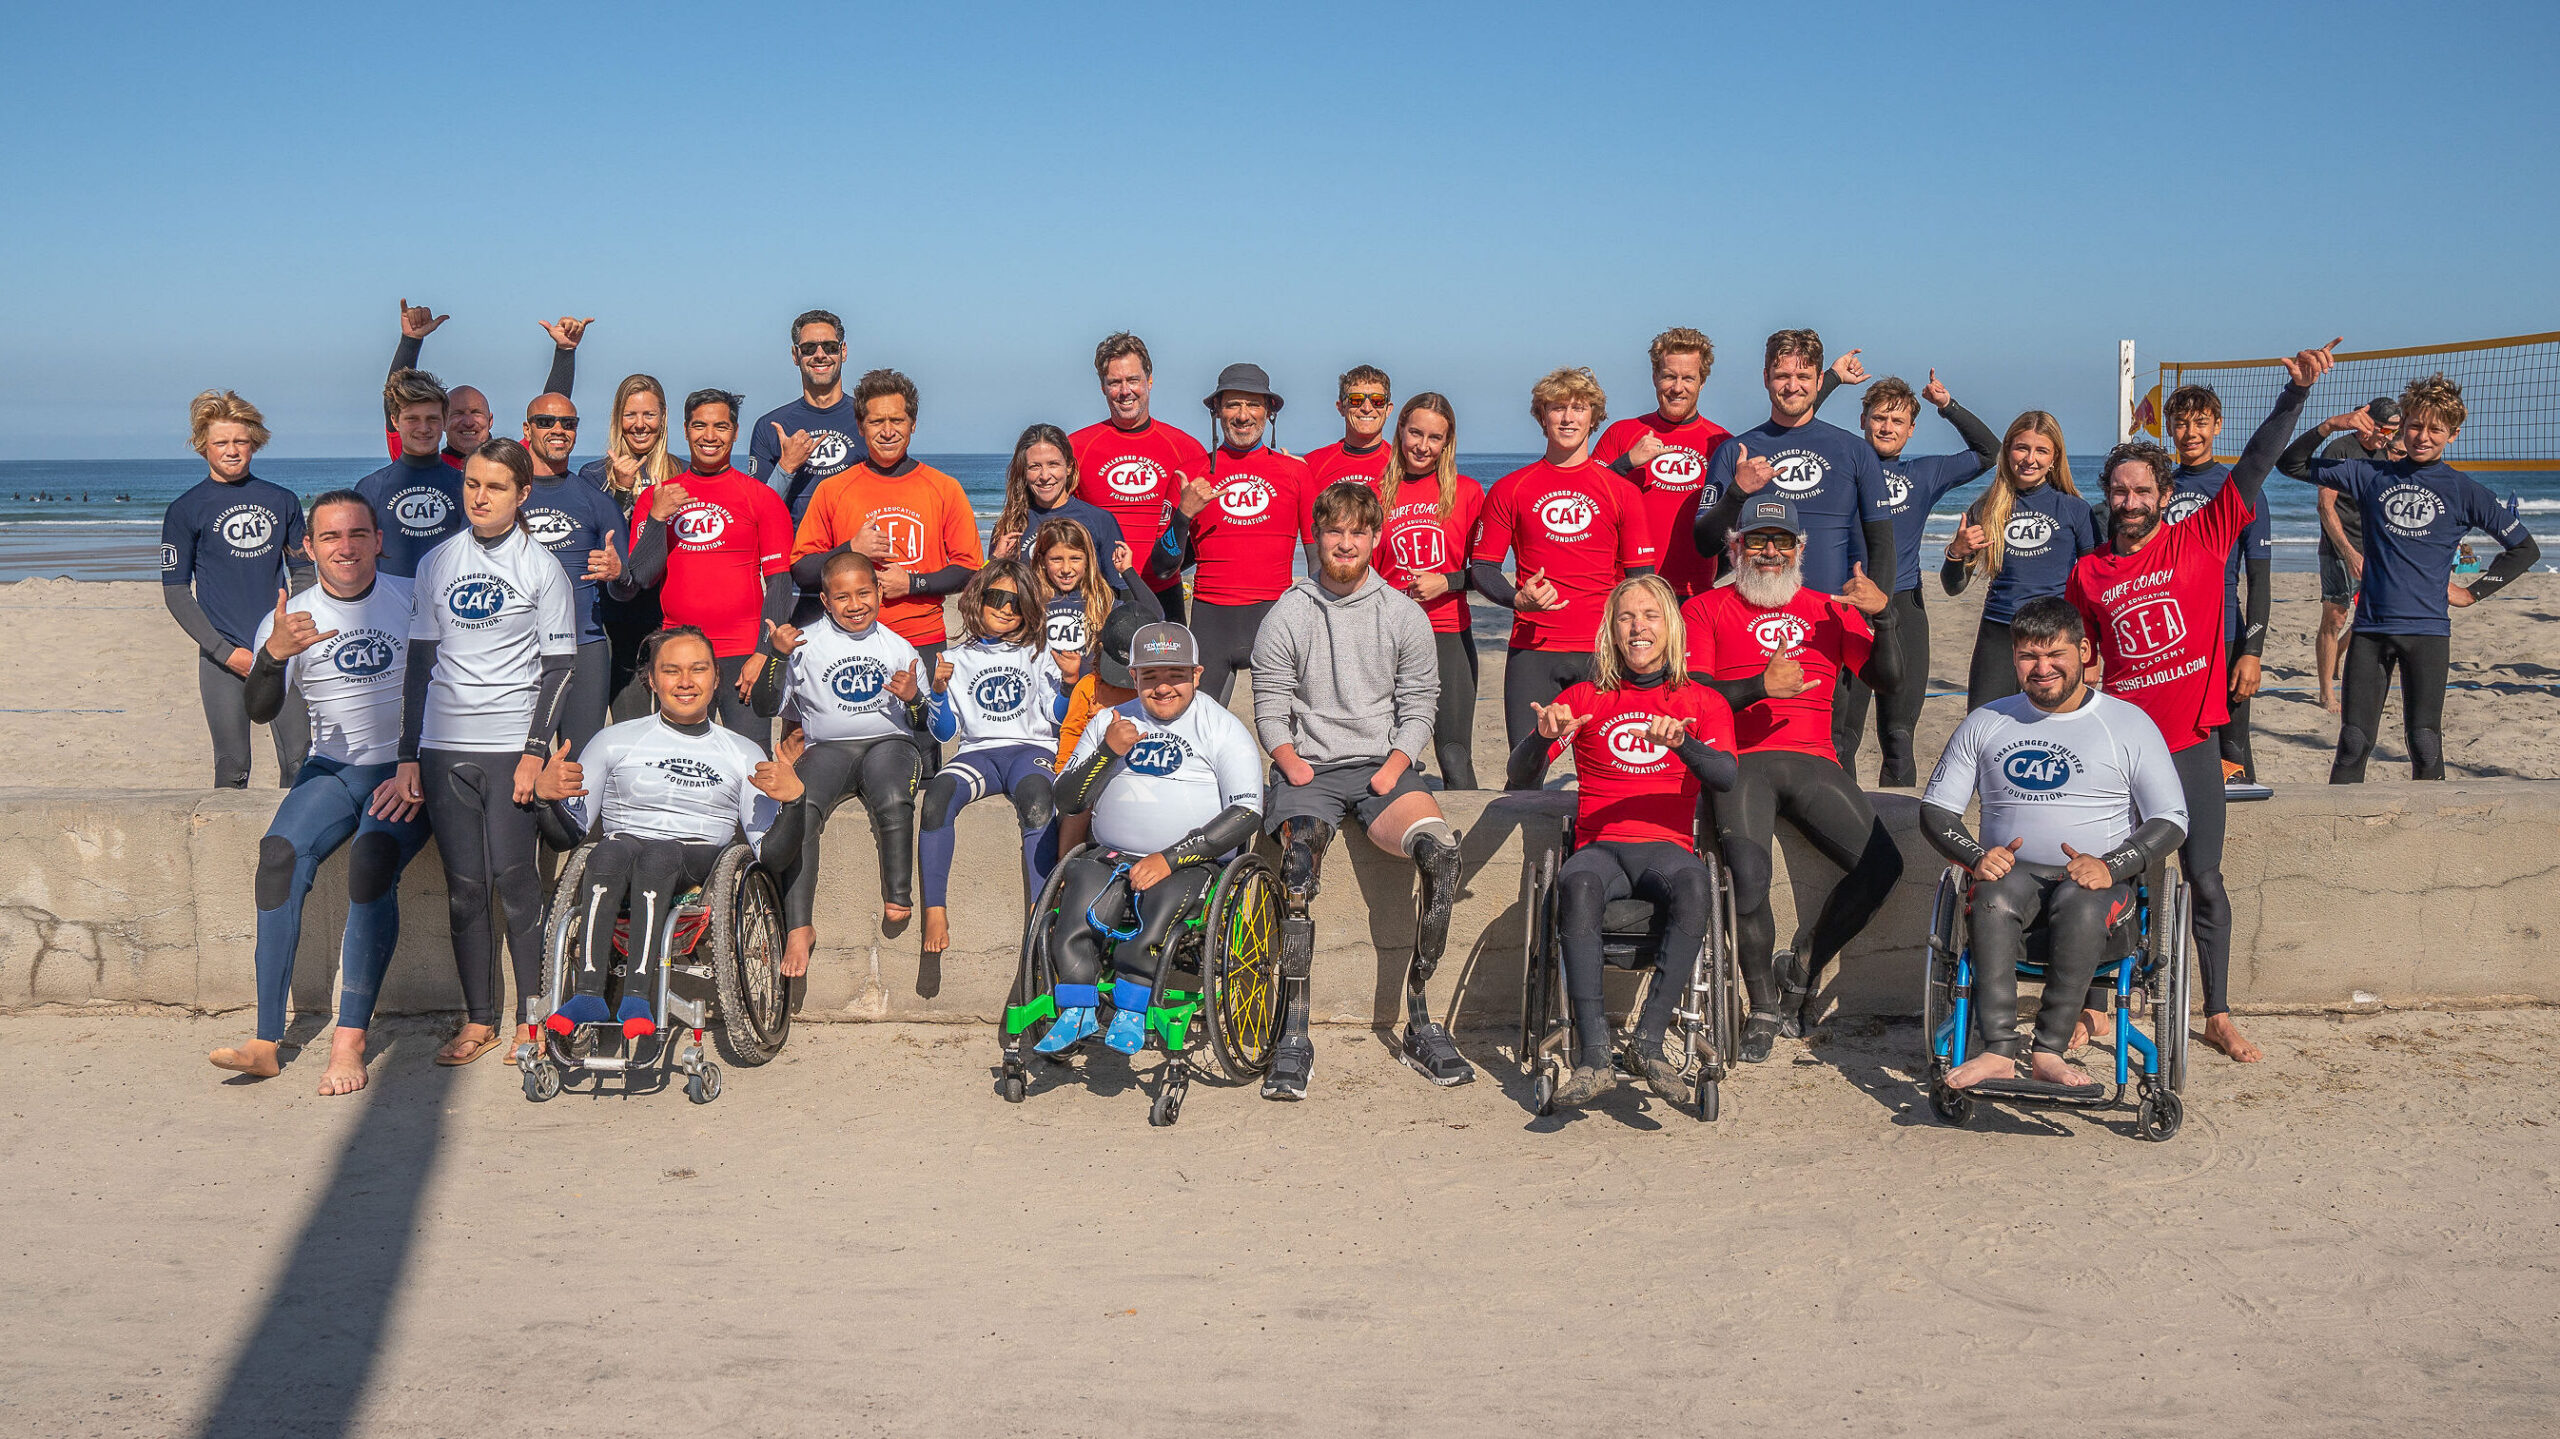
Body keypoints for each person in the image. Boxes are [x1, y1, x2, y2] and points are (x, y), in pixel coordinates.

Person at [2067, 338, 2338, 1067]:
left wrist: (2295, 397)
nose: (2129, 502)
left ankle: (2216, 1011)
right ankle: (2097, 1005)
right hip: (2123, 752)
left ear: (2163, 494)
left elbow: (2253, 465)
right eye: (2118, 492)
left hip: (2190, 742)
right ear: (2109, 497)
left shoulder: (2205, 537)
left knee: (2205, 878)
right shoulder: (2089, 572)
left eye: (2142, 491)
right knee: (2119, 876)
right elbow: (2081, 661)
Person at [1250, 481, 1469, 1097]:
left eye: (1357, 532)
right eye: (1333, 531)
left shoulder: (1401, 613)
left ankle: (1421, 1019)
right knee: (1295, 872)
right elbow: (1270, 705)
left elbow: (1420, 702)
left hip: (1385, 769)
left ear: (1375, 538)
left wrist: (1393, 766)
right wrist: (1294, 768)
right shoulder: (1288, 613)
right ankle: (1294, 1032)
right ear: (1315, 537)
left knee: (1442, 855)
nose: (1344, 543)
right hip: (1308, 772)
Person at [206, 492, 430, 1094]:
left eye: (358, 534)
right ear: (308, 547)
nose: (346, 547)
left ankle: (349, 1042)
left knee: (370, 865)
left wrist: (423, 767)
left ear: (379, 539)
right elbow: (260, 710)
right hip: (331, 771)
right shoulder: (291, 616)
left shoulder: (412, 598)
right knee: (278, 857)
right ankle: (264, 1040)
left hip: (406, 770)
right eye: (330, 537)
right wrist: (274, 657)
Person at [1919, 597, 2189, 1090]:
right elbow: (1936, 811)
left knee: (2082, 902)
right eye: (2028, 656)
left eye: (2056, 655)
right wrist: (1975, 857)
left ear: (2084, 651)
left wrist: (2113, 864)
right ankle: (1999, 1051)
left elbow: (2171, 819)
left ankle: (2048, 1051)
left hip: (2102, 895)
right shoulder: (1987, 722)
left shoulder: (2128, 724)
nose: (2042, 668)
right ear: (2014, 659)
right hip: (2010, 887)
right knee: (1994, 896)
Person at [1682, 494, 1902, 1061]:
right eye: (1757, 541)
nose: (1770, 552)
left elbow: (1889, 679)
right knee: (1749, 879)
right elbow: (1695, 699)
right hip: (1741, 760)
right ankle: (1761, 1005)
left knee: (1884, 864)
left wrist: (1884, 615)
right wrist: (1760, 686)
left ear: (1800, 549)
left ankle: (1804, 963)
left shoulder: (1829, 609)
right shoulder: (1705, 608)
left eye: (1782, 541)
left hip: (1813, 760)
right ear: (1736, 547)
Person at [1506, 576, 1740, 1108]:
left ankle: (1649, 1043)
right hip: (1601, 847)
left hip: (1669, 847)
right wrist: (1542, 738)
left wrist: (1683, 744)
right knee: (1577, 883)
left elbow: (1725, 775)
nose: (1638, 627)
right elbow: (1521, 778)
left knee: (1697, 887)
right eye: (1626, 617)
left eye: (1650, 616)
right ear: (1611, 631)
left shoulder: (1701, 702)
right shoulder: (1586, 698)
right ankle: (1593, 1058)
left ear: (1671, 628)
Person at [392, 438, 578, 1068]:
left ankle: (535, 1019)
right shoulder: (437, 562)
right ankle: (478, 1021)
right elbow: (420, 662)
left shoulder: (541, 568)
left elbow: (559, 669)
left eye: (495, 486)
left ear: (522, 494)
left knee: (517, 883)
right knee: (464, 890)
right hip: (444, 748)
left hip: (508, 749)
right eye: (472, 483)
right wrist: (407, 753)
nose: (479, 496)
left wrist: (533, 752)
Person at [533, 626, 811, 1036]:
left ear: (716, 678)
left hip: (695, 862)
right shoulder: (612, 741)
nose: (685, 682)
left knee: (658, 854)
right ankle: (588, 993)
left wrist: (795, 801)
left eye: (698, 670)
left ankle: (637, 997)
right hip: (620, 858)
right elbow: (568, 837)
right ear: (652, 679)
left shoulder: (741, 751)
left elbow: (772, 855)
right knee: (605, 851)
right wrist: (545, 798)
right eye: (671, 671)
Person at [2280, 372, 2540, 782]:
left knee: (2423, 741)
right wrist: (2329, 426)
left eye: (2435, 429)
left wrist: (2473, 593)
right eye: (2415, 425)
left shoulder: (2463, 490)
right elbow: (2290, 463)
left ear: (2452, 435)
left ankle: (2428, 839)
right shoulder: (2369, 475)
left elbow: (2525, 549)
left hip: (2427, 633)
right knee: (2352, 743)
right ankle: (2343, 838)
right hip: (2370, 631)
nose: (2422, 436)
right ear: (2403, 426)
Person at [1041, 623, 1264, 1057]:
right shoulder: (1111, 721)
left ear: (1197, 674)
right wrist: (1107, 752)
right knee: (1081, 886)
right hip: (1110, 855)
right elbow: (1068, 799)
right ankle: (1076, 1007)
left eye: (1175, 675)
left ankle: (1132, 1004)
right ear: (1134, 676)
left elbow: (1245, 813)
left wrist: (1169, 858)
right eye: (1150, 676)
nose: (1163, 688)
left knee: (1162, 898)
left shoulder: (1222, 728)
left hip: (1190, 861)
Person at [1695, 330, 1898, 772]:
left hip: (1832, 627)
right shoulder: (1737, 452)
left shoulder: (1853, 450)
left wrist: (1867, 613)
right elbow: (1704, 543)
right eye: (1782, 375)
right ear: (1765, 377)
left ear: (1819, 378)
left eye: (1804, 375)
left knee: (1837, 744)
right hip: (1750, 626)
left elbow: (1881, 542)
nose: (1793, 385)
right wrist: (1735, 493)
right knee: (1746, 743)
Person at [1806, 362, 2001, 784]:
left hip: (1904, 610)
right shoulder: (1840, 466)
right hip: (1849, 609)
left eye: (1898, 420)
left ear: (1912, 428)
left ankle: (1898, 838)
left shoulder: (1924, 474)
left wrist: (1946, 406)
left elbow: (1990, 452)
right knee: (1842, 738)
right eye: (1879, 417)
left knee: (1897, 737)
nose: (1888, 427)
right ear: (1863, 421)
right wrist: (1834, 379)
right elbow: (1800, 423)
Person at [755, 551, 930, 978]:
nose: (855, 605)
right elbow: (764, 705)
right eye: (843, 597)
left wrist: (915, 699)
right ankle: (800, 926)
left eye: (864, 593)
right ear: (825, 600)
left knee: (892, 799)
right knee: (803, 807)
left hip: (889, 743)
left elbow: (924, 724)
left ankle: (899, 892)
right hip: (828, 748)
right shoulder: (805, 643)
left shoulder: (897, 645)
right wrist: (776, 656)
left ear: (879, 593)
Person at [1472, 367, 1657, 748]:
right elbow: (1484, 568)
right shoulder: (1511, 489)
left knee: (1606, 765)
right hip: (1533, 649)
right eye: (1557, 408)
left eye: (1579, 408)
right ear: (1542, 417)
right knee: (1525, 769)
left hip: (1603, 650)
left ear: (1594, 417)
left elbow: (1641, 582)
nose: (1568, 417)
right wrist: (1515, 598)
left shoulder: (1621, 492)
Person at [612, 389, 796, 745]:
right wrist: (657, 519)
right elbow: (642, 577)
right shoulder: (658, 497)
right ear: (684, 429)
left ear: (735, 432)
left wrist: (763, 652)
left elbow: (778, 583)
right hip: (680, 652)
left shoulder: (760, 497)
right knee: (680, 761)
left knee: (752, 763)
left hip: (743, 653)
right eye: (699, 426)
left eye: (720, 426)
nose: (709, 436)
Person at [918, 561, 1069, 969]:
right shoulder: (953, 658)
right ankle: (935, 909)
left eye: (1017, 604)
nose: (1006, 610)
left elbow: (1057, 715)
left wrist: (1070, 683)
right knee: (937, 798)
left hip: (1029, 748)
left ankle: (1042, 913)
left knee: (1038, 800)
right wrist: (937, 692)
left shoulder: (1039, 654)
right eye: (997, 599)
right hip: (977, 754)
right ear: (977, 599)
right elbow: (945, 732)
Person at [787, 369, 985, 675]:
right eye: (877, 421)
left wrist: (912, 583)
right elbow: (802, 570)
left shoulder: (944, 487)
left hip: (922, 639)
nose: (888, 430)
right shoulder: (833, 489)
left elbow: (968, 569)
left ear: (913, 424)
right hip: (848, 640)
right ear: (860, 426)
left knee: (922, 723)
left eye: (897, 420)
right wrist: (851, 549)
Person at [162, 389, 312, 788]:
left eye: (240, 442)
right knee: (232, 768)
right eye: (221, 442)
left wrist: (284, 636)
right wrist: (225, 653)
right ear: (203, 447)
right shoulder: (184, 509)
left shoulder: (282, 501)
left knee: (299, 763)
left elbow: (304, 574)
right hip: (222, 658)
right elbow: (176, 592)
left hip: (280, 653)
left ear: (254, 443)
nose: (231, 451)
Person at [1161, 363, 1316, 705]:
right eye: (1233, 404)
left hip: (1276, 618)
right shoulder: (1189, 476)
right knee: (1200, 730)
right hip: (1210, 622)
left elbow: (1318, 563)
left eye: (1253, 404)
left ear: (1268, 411)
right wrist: (1184, 515)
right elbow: (1162, 568)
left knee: (1290, 740)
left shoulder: (1296, 474)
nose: (1243, 415)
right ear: (1216, 410)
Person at [2154, 385, 2279, 785]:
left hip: (2224, 636)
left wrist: (2252, 653)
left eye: (2201, 423)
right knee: (2172, 742)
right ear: (2169, 429)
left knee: (2232, 745)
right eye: (2181, 423)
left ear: (2218, 426)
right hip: (2168, 635)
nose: (2191, 432)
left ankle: (2244, 833)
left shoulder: (2241, 490)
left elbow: (2259, 581)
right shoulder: (2156, 490)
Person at [1939, 412, 2100, 709]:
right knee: (1985, 723)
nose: (2030, 459)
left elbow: (2095, 586)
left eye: (2041, 450)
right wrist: (1956, 553)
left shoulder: (2075, 510)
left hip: (2056, 635)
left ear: (2054, 458)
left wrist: (2092, 651)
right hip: (1999, 633)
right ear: (2008, 451)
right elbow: (1953, 587)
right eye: (2022, 448)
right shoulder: (1985, 509)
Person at [1367, 393, 1485, 787]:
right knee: (1385, 753)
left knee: (1453, 753)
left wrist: (1447, 582)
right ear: (1399, 429)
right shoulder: (1374, 492)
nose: (1422, 445)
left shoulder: (1467, 492)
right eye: (1415, 433)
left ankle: (1465, 846)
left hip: (1448, 632)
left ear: (1447, 442)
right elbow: (1351, 569)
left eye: (1435, 438)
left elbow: (1486, 573)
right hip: (1387, 637)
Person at [1071, 333, 1210, 624]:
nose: (1125, 391)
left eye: (1133, 380)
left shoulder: (1185, 448)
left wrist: (1170, 566)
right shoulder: (1077, 448)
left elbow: (1203, 531)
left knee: (1165, 671)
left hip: (1163, 590)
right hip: (1098, 593)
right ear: (1102, 387)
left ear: (1149, 380)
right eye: (1114, 382)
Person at [519, 392, 626, 752]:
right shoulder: (507, 499)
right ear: (527, 429)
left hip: (584, 643)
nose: (558, 429)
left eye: (568, 423)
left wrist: (617, 573)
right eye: (546, 422)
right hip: (519, 645)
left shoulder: (596, 501)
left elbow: (625, 585)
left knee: (577, 761)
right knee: (517, 760)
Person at [1593, 326, 1733, 601]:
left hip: (1695, 594)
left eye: (1688, 378)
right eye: (1669, 376)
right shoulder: (1621, 434)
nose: (1677, 388)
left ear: (1702, 381)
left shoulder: (1721, 443)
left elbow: (1732, 527)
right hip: (1627, 592)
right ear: (1655, 377)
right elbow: (1588, 505)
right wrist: (1626, 463)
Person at [578, 375, 678, 720]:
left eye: (649, 415)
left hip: (658, 615)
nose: (640, 425)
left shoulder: (679, 472)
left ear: (663, 417)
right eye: (630, 415)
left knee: (647, 725)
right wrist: (620, 492)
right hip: (606, 615)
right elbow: (593, 539)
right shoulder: (592, 475)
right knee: (591, 724)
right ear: (617, 418)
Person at [386, 298, 584, 466]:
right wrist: (410, 341)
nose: (468, 421)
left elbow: (552, 413)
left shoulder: (514, 461)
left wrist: (565, 352)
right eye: (457, 413)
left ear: (490, 421)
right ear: (443, 421)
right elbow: (396, 401)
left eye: (476, 413)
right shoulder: (418, 465)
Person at [988, 422, 1156, 611]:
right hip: (1029, 636)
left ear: (1068, 467)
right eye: (1034, 466)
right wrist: (996, 561)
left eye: (1053, 464)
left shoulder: (1100, 520)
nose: (1044, 476)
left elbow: (1121, 594)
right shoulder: (1011, 524)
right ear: (1023, 471)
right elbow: (991, 602)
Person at [2314, 397, 2401, 712]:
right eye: (2383, 429)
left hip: (2373, 545)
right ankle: (2327, 692)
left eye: (2393, 431)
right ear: (2368, 422)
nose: (2387, 436)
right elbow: (2325, 506)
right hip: (2339, 546)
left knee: (2375, 613)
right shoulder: (2339, 450)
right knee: (2335, 616)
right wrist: (2348, 552)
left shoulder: (2385, 451)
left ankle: (2337, 652)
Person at [747, 308, 866, 526]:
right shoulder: (770, 426)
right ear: (795, 355)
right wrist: (786, 466)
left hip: (854, 554)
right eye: (809, 348)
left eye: (830, 347)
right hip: (795, 554)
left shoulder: (868, 420)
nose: (820, 355)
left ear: (844, 352)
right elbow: (757, 513)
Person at [358, 369, 468, 578]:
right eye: (412, 419)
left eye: (432, 419)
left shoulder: (464, 486)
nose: (423, 428)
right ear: (395, 421)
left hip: (446, 604)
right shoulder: (372, 488)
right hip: (389, 604)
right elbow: (359, 557)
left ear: (444, 420)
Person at [1033, 517, 1117, 660]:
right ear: (1042, 561)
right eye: (1056, 559)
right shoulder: (1031, 599)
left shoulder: (1102, 600)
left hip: (1087, 682)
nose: (1066, 569)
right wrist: (995, 558)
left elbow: (1155, 615)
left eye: (1075, 559)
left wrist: (1128, 572)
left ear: (1088, 560)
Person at [1302, 366, 1396, 488]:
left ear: (1388, 409)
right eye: (1356, 400)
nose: (1367, 408)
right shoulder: (1311, 465)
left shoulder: (1401, 464)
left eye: (1377, 400)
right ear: (1341, 407)